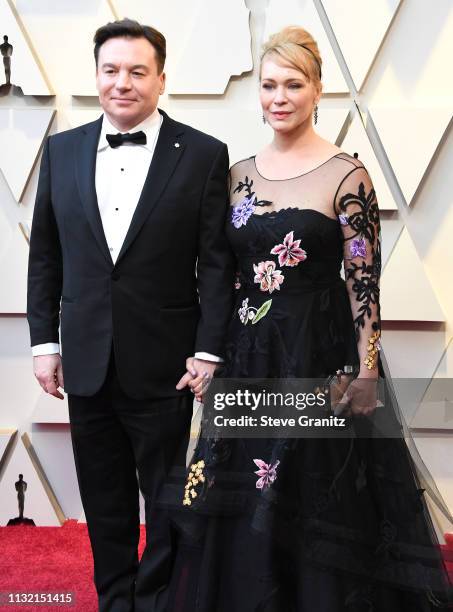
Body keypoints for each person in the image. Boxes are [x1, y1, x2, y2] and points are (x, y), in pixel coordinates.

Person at [163, 26, 453, 611]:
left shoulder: (348, 175)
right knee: (241, 490)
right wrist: (211, 354)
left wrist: (366, 370)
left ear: (318, 88)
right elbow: (220, 273)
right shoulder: (237, 173)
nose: (279, 96)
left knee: (319, 489)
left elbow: (363, 283)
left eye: (293, 83)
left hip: (320, 357)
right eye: (269, 85)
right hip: (248, 357)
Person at [26, 18, 234, 612]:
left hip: (167, 363)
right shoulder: (60, 151)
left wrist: (209, 349)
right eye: (111, 70)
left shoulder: (201, 155)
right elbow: (46, 256)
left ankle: (160, 600)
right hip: (86, 361)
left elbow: (216, 266)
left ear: (161, 79)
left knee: (167, 500)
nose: (123, 82)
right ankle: (115, 601)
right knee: (104, 499)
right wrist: (45, 344)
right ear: (96, 76)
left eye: (137, 72)